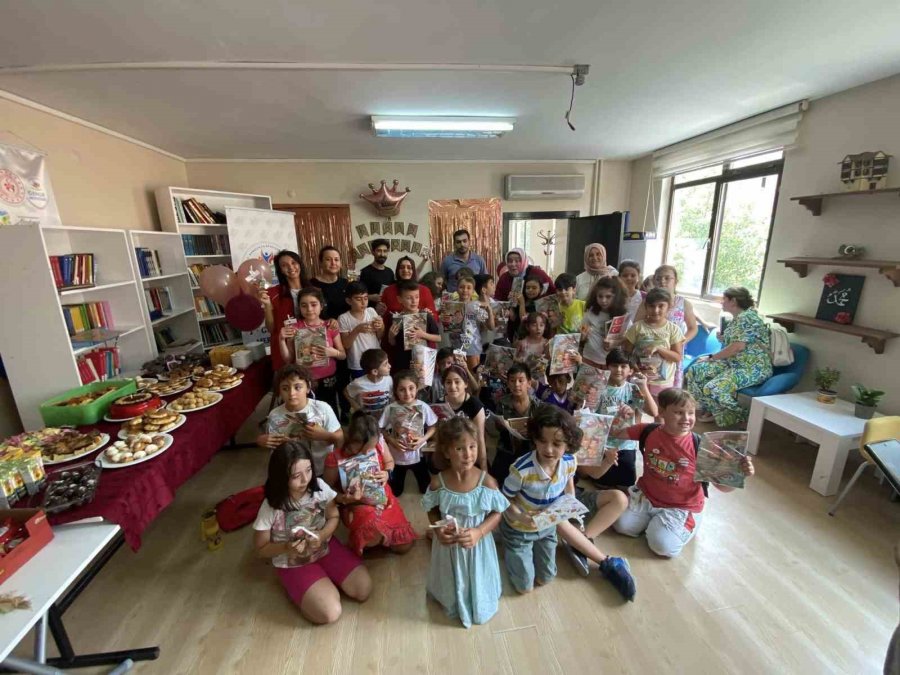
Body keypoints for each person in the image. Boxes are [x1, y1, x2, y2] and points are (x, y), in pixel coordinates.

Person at [499, 406, 636, 600]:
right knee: (524, 588)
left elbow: (569, 486)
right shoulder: (521, 469)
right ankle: (509, 543)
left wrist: (569, 505)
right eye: (542, 441)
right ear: (535, 439)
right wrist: (520, 515)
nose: (548, 449)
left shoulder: (570, 461)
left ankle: (581, 545)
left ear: (568, 443)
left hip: (546, 527)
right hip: (519, 529)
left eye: (556, 443)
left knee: (545, 578)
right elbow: (504, 498)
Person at [610, 388, 755, 557]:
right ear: (662, 412)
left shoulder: (703, 446)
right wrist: (620, 417)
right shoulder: (648, 431)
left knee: (663, 546)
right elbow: (616, 433)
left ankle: (687, 524)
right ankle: (656, 524)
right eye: (679, 412)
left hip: (681, 506)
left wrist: (740, 473)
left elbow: (723, 488)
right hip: (646, 496)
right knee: (621, 525)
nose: (686, 418)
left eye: (691, 413)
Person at [252, 441, 371, 625]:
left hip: (324, 546)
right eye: (296, 476)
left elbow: (333, 516)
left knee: (363, 589)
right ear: (281, 477)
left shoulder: (319, 486)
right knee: (330, 613)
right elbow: (261, 549)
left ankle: (322, 584)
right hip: (291, 559)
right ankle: (302, 586)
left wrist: (322, 536)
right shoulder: (271, 505)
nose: (305, 480)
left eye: (308, 470)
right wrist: (286, 547)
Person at [422, 417, 508, 628]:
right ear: (446, 451)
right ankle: (450, 596)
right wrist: (438, 528)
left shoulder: (486, 482)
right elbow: (431, 510)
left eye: (472, 446)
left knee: (478, 578)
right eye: (460, 448)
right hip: (449, 547)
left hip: (477, 546)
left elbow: (498, 513)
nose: (468, 454)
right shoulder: (437, 483)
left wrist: (479, 532)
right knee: (450, 580)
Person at [323, 411, 417, 556]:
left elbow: (390, 462)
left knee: (403, 546)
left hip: (381, 496)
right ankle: (372, 538)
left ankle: (381, 536)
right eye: (361, 449)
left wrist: (387, 473)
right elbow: (326, 489)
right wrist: (343, 498)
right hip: (355, 503)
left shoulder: (378, 443)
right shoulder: (335, 457)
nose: (367, 453)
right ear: (350, 440)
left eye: (370, 448)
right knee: (371, 535)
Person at [686, 287, 772, 428]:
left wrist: (712, 357)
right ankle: (715, 410)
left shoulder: (748, 318)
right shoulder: (737, 318)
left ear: (734, 301)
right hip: (734, 363)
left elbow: (738, 347)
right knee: (696, 371)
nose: (721, 302)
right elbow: (738, 342)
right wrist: (724, 338)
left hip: (753, 367)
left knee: (713, 388)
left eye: (724, 299)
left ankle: (743, 417)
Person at [579, 347, 657, 488]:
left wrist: (643, 386)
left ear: (630, 370)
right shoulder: (599, 388)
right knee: (597, 480)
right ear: (608, 367)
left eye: (623, 366)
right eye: (614, 366)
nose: (619, 370)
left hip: (625, 444)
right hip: (602, 442)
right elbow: (589, 418)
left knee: (627, 482)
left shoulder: (633, 389)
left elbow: (653, 412)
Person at [257, 365, 344, 475]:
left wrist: (325, 435)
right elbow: (273, 446)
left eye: (297, 387)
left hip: (322, 469)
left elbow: (340, 439)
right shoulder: (275, 415)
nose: (291, 393)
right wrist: (263, 441)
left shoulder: (323, 408)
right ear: (279, 390)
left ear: (308, 388)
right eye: (285, 388)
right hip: (292, 472)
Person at [279, 287, 347, 412]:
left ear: (321, 306)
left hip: (328, 378)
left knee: (329, 409)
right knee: (307, 412)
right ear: (299, 307)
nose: (309, 309)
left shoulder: (330, 326)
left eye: (313, 304)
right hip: (303, 379)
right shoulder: (294, 328)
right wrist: (281, 339)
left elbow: (343, 355)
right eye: (304, 305)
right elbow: (288, 359)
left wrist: (333, 352)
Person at [636, 265, 697, 387]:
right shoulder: (647, 302)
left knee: (669, 393)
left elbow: (693, 328)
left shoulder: (684, 303)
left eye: (667, 278)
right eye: (658, 278)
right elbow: (637, 324)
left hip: (673, 352)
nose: (662, 281)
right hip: (650, 351)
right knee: (647, 388)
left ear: (676, 281)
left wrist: (681, 341)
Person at [380, 370, 439, 496]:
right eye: (402, 389)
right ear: (395, 391)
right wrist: (391, 440)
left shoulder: (423, 406)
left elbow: (433, 426)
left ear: (417, 388)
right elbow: (380, 429)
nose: (407, 393)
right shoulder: (390, 408)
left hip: (418, 455)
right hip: (396, 457)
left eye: (411, 388)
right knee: (396, 492)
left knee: (425, 489)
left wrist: (424, 439)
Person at [622, 288, 685, 399]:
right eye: (652, 306)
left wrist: (659, 348)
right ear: (646, 307)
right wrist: (636, 369)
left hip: (662, 382)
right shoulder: (637, 327)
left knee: (661, 413)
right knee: (636, 408)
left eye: (661, 306)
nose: (656, 310)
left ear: (669, 307)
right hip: (639, 378)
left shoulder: (673, 329)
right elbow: (626, 353)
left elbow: (677, 357)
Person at [490, 362, 546, 486]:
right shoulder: (503, 403)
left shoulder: (538, 406)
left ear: (529, 383)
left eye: (521, 381)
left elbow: (544, 431)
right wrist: (501, 425)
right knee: (496, 481)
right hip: (507, 449)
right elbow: (497, 428)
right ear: (508, 383)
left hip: (531, 451)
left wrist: (532, 432)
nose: (516, 385)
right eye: (512, 381)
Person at [261, 250, 309, 373]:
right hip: (284, 350)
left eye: (294, 262)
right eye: (284, 265)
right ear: (280, 270)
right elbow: (271, 329)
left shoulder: (313, 289)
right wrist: (267, 305)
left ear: (300, 264)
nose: (291, 267)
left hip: (309, 346)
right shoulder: (273, 293)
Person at [383, 280, 442, 372]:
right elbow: (393, 343)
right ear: (400, 299)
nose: (414, 301)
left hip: (423, 360)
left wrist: (422, 334)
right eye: (409, 298)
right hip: (403, 361)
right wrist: (391, 336)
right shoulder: (397, 319)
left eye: (417, 297)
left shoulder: (426, 315)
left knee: (423, 385)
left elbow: (438, 338)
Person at [440, 364, 488, 469]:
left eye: (457, 382)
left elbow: (480, 439)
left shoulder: (475, 405)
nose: (452, 386)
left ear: (466, 384)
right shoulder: (439, 404)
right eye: (448, 382)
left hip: (469, 455)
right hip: (449, 456)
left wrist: (484, 471)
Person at [338, 282, 384, 378]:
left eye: (366, 298)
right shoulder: (343, 318)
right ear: (349, 301)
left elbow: (379, 336)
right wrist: (357, 330)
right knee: (362, 389)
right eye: (358, 299)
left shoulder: (371, 311)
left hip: (376, 360)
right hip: (357, 363)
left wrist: (381, 326)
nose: (363, 302)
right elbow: (346, 344)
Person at [450, 274, 495, 371]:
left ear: (473, 290)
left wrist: (489, 311)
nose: (465, 290)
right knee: (459, 376)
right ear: (457, 289)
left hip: (473, 348)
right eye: (461, 287)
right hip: (456, 347)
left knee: (473, 378)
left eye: (468, 288)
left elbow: (491, 327)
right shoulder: (451, 306)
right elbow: (448, 327)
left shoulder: (477, 306)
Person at [581, 276, 628, 367]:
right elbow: (582, 331)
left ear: (616, 297)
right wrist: (583, 336)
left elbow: (628, 338)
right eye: (600, 296)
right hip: (589, 358)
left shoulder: (623, 315)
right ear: (595, 296)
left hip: (611, 362)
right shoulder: (590, 312)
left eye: (608, 296)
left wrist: (615, 343)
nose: (603, 300)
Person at [380, 256, 438, 321]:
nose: (405, 270)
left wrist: (429, 315)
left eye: (409, 267)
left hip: (420, 329)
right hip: (394, 329)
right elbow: (383, 317)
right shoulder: (388, 291)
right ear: (397, 271)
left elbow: (435, 317)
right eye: (402, 267)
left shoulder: (425, 290)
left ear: (413, 271)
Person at [344, 348, 393, 417]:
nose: (390, 366)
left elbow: (391, 396)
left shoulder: (389, 379)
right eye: (385, 364)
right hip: (367, 419)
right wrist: (357, 408)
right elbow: (346, 392)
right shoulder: (358, 383)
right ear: (375, 371)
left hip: (383, 417)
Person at [310, 246, 350, 320]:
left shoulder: (346, 283)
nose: (333, 263)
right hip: (322, 328)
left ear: (340, 263)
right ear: (321, 263)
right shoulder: (311, 284)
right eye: (328, 259)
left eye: (336, 259)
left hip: (345, 327)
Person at [514, 312, 550, 382]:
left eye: (541, 325)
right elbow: (512, 357)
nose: (538, 328)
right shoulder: (522, 343)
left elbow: (546, 362)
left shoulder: (546, 343)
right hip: (522, 377)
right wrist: (519, 360)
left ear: (545, 327)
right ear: (527, 327)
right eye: (534, 325)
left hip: (538, 379)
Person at [508, 275, 545, 340]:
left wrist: (522, 303)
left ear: (540, 289)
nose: (530, 290)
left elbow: (524, 321)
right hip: (517, 335)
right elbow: (513, 318)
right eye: (527, 288)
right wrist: (511, 303)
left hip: (529, 339)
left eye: (534, 288)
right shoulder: (522, 299)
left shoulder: (540, 305)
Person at [360, 239, 394, 307]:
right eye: (379, 251)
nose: (382, 254)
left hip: (386, 311)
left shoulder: (390, 272)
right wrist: (370, 297)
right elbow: (358, 294)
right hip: (369, 313)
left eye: (385, 251)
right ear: (373, 252)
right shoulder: (365, 272)